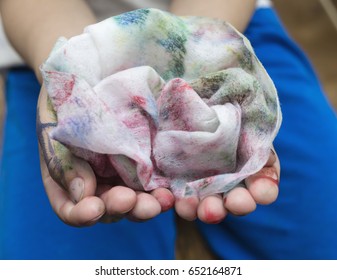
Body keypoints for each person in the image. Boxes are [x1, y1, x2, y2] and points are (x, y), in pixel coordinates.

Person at [0, 0, 335, 259]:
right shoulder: (68, 65)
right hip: (54, 38)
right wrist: (69, 67)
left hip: (226, 33)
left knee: (323, 237)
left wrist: (191, 48)